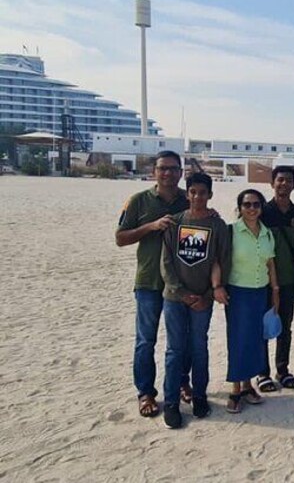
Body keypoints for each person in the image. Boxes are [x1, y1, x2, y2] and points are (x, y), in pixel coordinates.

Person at [116, 150, 191, 419]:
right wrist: (151, 226)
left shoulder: (188, 199)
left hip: (179, 283)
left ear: (181, 172)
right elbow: (121, 238)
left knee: (180, 340)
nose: (168, 173)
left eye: (173, 168)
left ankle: (183, 382)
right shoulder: (139, 201)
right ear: (154, 172)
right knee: (145, 341)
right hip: (148, 281)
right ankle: (145, 392)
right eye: (163, 168)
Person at [159, 172, 229, 428]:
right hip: (175, 298)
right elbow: (166, 264)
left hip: (203, 300)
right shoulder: (175, 224)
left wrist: (208, 296)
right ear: (187, 194)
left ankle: (199, 396)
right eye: (193, 192)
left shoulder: (217, 225)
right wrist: (182, 293)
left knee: (199, 347)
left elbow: (222, 260)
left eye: (203, 192)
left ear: (210, 195)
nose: (198, 197)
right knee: (174, 350)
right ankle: (171, 403)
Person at [216, 189, 279, 414]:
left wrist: (275, 291)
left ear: (261, 208)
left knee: (254, 341)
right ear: (240, 208)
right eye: (247, 204)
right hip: (238, 294)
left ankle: (248, 386)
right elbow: (218, 260)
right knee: (237, 340)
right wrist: (218, 287)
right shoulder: (231, 231)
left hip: (260, 293)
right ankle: (235, 389)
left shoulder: (267, 233)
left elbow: (270, 264)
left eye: (256, 205)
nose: (251, 209)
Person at [257, 165, 294, 392]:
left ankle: (282, 369)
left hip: (287, 279)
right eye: (280, 180)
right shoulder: (262, 211)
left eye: (288, 180)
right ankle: (262, 373)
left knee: (284, 327)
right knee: (263, 326)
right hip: (262, 280)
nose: (284, 184)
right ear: (272, 183)